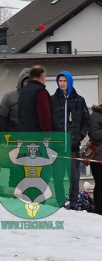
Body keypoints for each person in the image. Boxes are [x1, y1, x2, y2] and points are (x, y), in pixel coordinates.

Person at [50, 71, 90, 210]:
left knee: (74, 177)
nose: (62, 83)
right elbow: (47, 120)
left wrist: (80, 135)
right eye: (60, 80)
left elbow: (86, 121)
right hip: (58, 147)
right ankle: (60, 201)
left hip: (73, 147)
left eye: (64, 81)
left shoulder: (79, 100)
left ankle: (73, 203)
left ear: (70, 82)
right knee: (58, 177)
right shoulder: (52, 100)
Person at [17, 65, 51, 132]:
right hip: (37, 133)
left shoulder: (23, 91)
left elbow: (19, 112)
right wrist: (48, 133)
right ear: (42, 77)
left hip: (25, 131)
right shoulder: (40, 92)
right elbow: (44, 115)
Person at [0, 67, 30, 132]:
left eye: (30, 82)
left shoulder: (37, 99)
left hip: (32, 136)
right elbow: (1, 118)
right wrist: (3, 135)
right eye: (26, 81)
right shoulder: (9, 97)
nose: (28, 84)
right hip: (12, 136)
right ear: (21, 82)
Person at [87, 104, 102, 215]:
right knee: (100, 185)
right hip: (98, 158)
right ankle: (99, 211)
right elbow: (93, 134)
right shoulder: (96, 115)